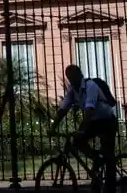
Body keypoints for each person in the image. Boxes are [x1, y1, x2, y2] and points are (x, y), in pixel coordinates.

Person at [49, 65, 118, 193]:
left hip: (107, 121)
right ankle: (97, 159)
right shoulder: (72, 90)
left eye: (74, 78)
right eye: (69, 79)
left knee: (109, 154)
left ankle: (111, 187)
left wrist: (81, 130)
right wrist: (53, 127)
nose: (72, 81)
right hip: (93, 121)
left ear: (80, 75)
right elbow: (63, 109)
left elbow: (89, 109)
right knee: (77, 142)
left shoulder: (90, 86)